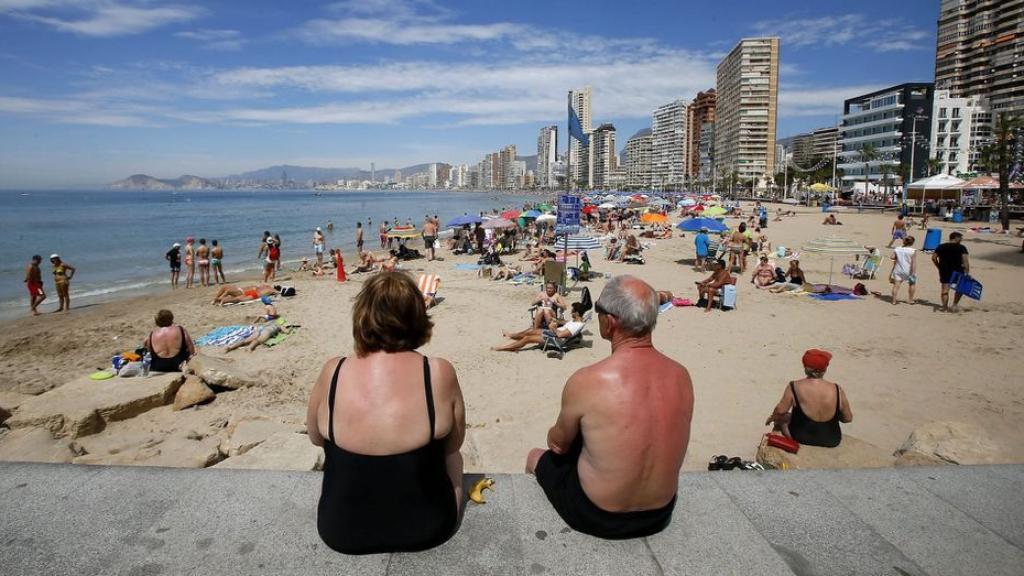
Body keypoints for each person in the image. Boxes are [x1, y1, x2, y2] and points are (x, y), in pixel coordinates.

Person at [307, 272, 465, 554]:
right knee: (453, 456)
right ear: (418, 317)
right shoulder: (438, 372)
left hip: (340, 530)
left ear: (362, 316)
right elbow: (454, 444)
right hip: (428, 528)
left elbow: (316, 438)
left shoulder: (334, 370)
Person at [525, 275, 693, 539]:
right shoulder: (681, 375)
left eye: (598, 309)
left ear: (610, 321)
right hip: (661, 512)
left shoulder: (589, 380)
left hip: (599, 515)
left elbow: (558, 446)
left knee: (536, 457)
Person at [765, 349, 852, 448]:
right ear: (824, 369)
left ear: (805, 368)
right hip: (832, 439)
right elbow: (848, 418)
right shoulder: (837, 389)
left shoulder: (794, 386)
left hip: (801, 437)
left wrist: (772, 418)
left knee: (783, 419)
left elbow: (780, 410)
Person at [493, 304, 587, 352]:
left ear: (577, 313)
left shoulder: (576, 325)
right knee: (530, 331)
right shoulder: (576, 321)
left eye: (572, 311)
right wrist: (556, 320)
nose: (571, 313)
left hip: (555, 338)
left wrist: (553, 327)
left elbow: (560, 335)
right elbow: (566, 323)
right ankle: (511, 336)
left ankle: (503, 348)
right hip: (552, 333)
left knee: (527, 338)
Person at [932, 231, 970, 312]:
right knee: (960, 289)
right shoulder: (962, 248)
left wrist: (938, 266)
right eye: (960, 238)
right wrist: (967, 272)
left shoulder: (941, 246)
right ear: (956, 238)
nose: (961, 239)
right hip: (958, 270)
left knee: (945, 290)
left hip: (944, 270)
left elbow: (934, 258)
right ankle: (954, 304)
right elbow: (965, 261)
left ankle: (945, 307)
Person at [890, 236, 917, 305]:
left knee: (896, 285)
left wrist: (898, 257)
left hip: (898, 269)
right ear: (912, 243)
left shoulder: (897, 248)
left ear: (904, 241)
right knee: (912, 284)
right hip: (908, 270)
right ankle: (910, 300)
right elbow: (913, 263)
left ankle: (894, 301)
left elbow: (892, 257)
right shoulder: (913, 251)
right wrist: (913, 273)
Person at [225, 322, 290, 352]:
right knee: (257, 341)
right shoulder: (279, 325)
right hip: (268, 331)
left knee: (245, 340)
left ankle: (231, 347)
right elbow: (286, 332)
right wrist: (286, 329)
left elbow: (261, 324)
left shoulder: (271, 322)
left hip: (259, 329)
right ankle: (249, 348)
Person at [211, 283, 276, 305]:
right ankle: (218, 299)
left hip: (248, 293)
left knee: (239, 298)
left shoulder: (267, 289)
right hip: (248, 292)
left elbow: (274, 291)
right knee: (225, 287)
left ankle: (220, 300)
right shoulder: (265, 288)